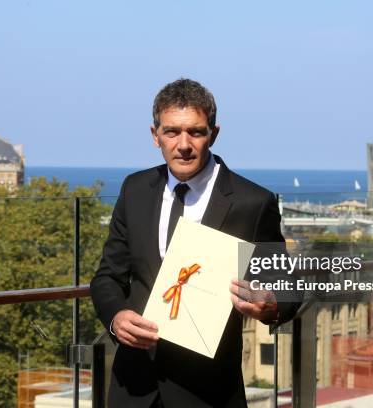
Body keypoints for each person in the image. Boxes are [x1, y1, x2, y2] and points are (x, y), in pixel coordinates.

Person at [90, 78, 300, 407]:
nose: (183, 144)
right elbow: (107, 277)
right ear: (154, 135)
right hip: (133, 388)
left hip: (209, 392)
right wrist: (116, 317)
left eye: (196, 132)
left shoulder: (252, 202)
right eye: (172, 132)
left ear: (213, 134)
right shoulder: (135, 189)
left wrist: (271, 305)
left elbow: (285, 286)